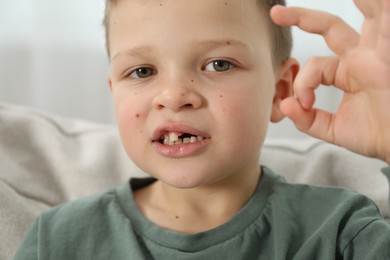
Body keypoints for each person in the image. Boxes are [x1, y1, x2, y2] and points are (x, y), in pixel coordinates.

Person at [14, 0, 390, 259]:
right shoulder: (58, 239)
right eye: (142, 71)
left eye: (219, 64)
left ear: (280, 90)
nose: (174, 96)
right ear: (114, 90)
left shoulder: (338, 230)